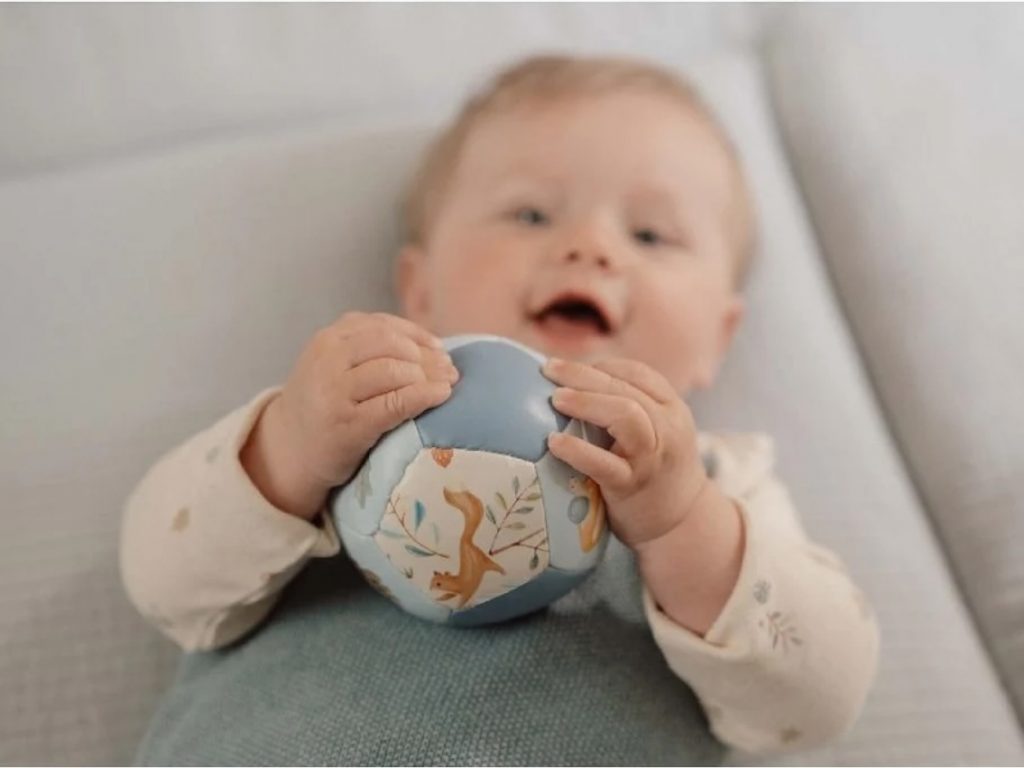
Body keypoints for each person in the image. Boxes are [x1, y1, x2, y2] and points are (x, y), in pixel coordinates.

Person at [122, 54, 879, 761]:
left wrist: (682, 524)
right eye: (530, 215)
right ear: (419, 289)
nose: (590, 246)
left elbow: (816, 706)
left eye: (651, 234)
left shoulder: (722, 486)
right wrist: (284, 451)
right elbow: (164, 590)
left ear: (717, 336)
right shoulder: (333, 423)